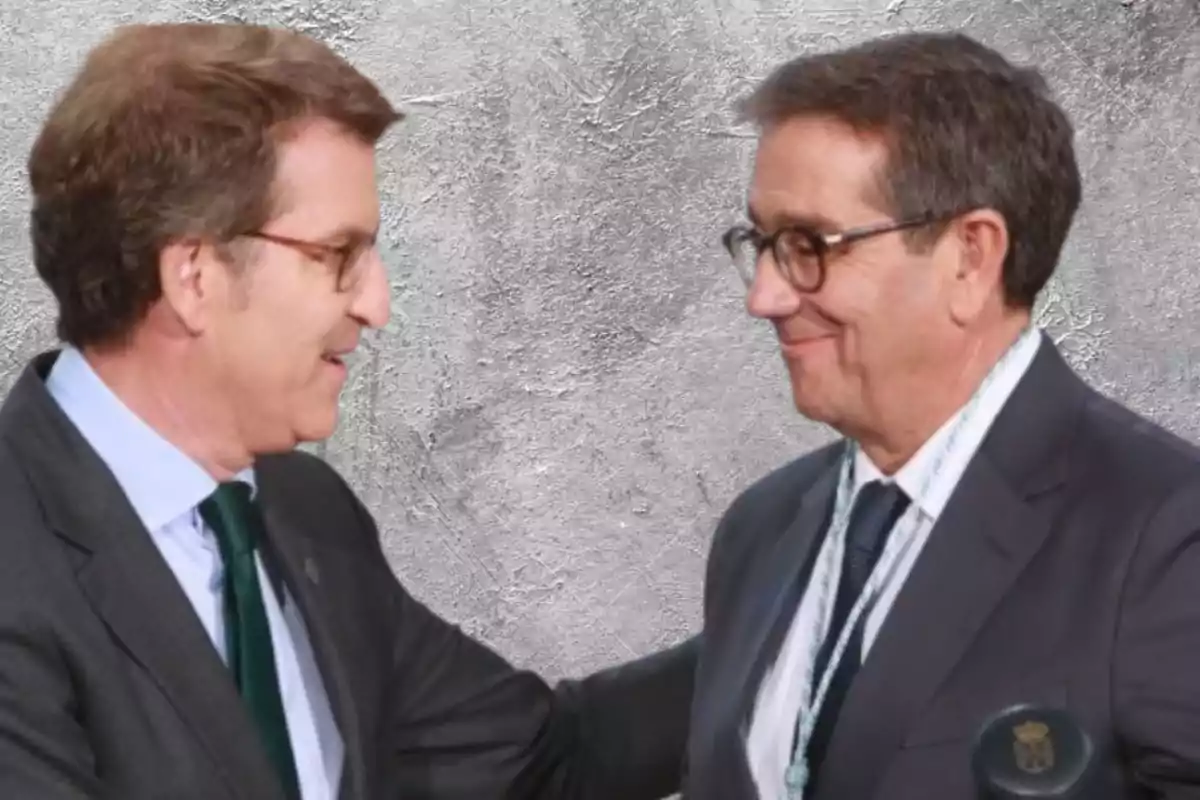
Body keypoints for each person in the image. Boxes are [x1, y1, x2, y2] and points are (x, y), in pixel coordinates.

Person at [0, 22, 696, 800]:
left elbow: (540, 759)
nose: (377, 303)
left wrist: (813, 608)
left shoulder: (306, 511)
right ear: (193, 275)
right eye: (337, 255)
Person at [684, 31, 1200, 800]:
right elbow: (569, 741)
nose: (763, 296)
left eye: (807, 244)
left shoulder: (1166, 537)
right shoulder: (761, 532)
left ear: (971, 257)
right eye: (760, 242)